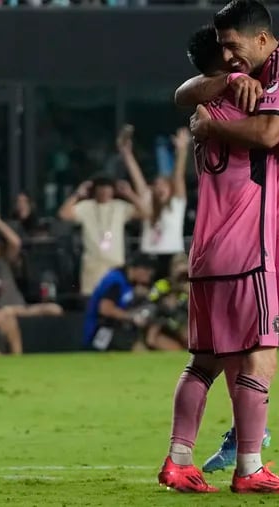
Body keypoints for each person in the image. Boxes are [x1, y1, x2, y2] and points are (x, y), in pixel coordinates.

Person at [157, 23, 279, 495]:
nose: (240, 59)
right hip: (245, 250)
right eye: (231, 52)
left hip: (204, 253)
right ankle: (251, 466)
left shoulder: (202, 103)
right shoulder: (246, 100)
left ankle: (178, 461)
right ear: (227, 59)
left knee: (203, 362)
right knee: (260, 357)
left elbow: (183, 93)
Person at [117, 124, 189, 280]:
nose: (159, 188)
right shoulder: (149, 200)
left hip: (171, 256)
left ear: (170, 189)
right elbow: (137, 178)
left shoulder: (176, 203)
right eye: (156, 185)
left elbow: (178, 175)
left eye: (164, 185)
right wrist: (127, 153)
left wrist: (182, 151)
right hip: (148, 257)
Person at [0, 205, 63, 318]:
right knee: (0, 314)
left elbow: (16, 243)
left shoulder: (5, 260)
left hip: (20, 309)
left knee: (55, 309)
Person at [58, 175, 148, 295]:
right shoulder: (86, 206)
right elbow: (63, 214)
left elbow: (145, 213)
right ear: (95, 190)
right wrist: (77, 194)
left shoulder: (120, 206)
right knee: (91, 301)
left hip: (115, 264)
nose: (105, 192)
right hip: (93, 265)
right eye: (101, 188)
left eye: (108, 188)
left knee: (115, 298)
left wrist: (129, 194)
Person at [82, 254, 156, 352]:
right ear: (137, 269)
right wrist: (132, 317)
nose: (150, 274)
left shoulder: (129, 282)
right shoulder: (115, 280)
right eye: (147, 270)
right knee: (139, 351)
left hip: (116, 329)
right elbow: (105, 309)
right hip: (100, 331)